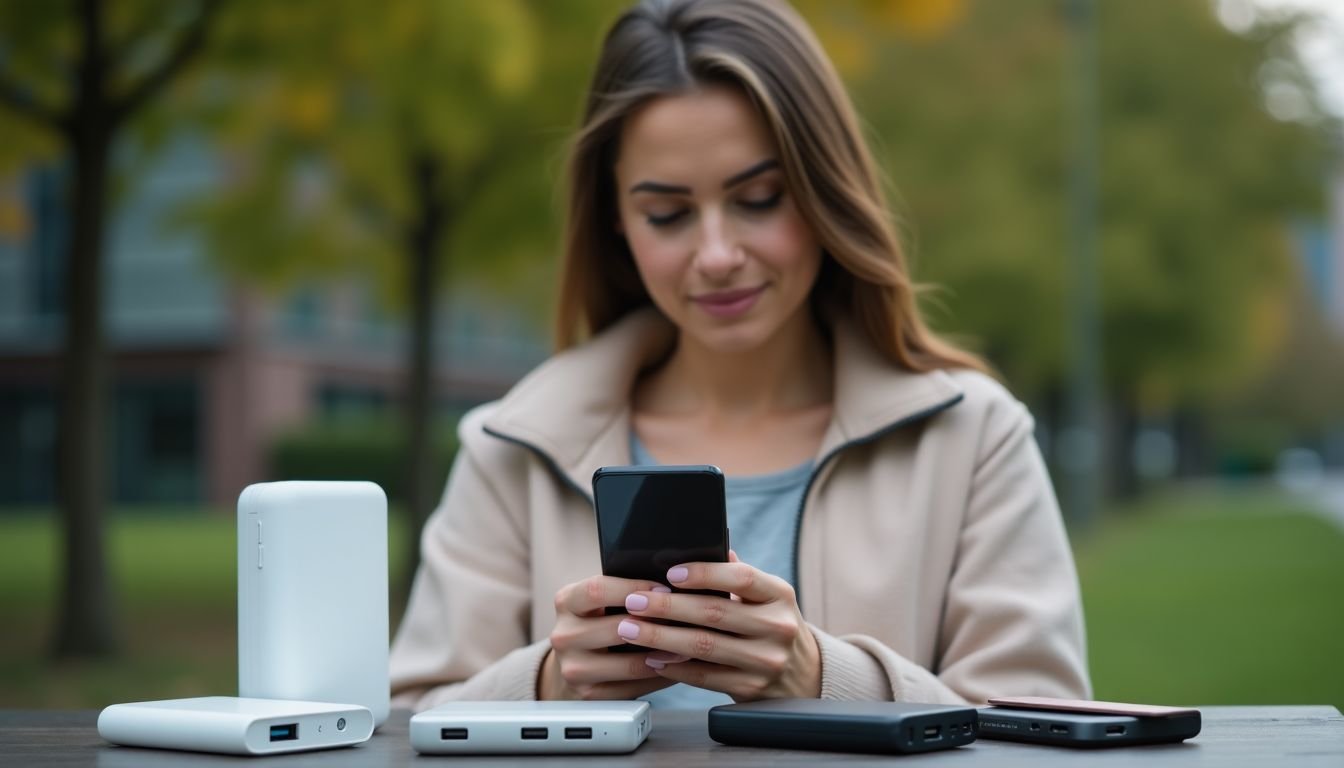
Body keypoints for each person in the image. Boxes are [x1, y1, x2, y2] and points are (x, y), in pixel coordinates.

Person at [389, 0, 1090, 710]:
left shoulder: (972, 439)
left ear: (824, 192)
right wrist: (549, 682)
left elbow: (1044, 730)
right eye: (667, 214)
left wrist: (822, 680)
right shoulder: (512, 450)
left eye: (759, 199)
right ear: (617, 222)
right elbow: (407, 723)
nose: (718, 255)